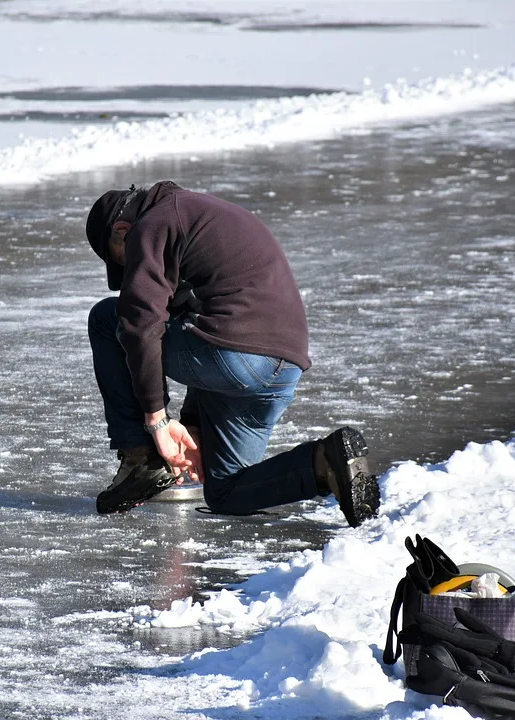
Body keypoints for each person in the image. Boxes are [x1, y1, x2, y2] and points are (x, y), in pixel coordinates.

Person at [85, 180, 380, 527]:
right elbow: (201, 318)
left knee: (108, 318)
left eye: (124, 262)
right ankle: (326, 463)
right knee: (225, 492)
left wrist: (157, 421)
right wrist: (194, 423)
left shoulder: (155, 223)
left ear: (122, 229)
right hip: (281, 367)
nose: (130, 273)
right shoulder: (198, 212)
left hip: (239, 357)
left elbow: (141, 324)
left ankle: (141, 459)